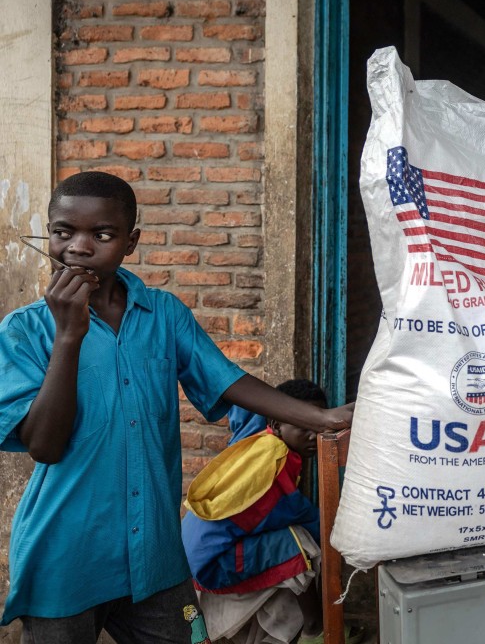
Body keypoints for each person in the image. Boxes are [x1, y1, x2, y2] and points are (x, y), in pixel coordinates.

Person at [0, 171, 349, 643]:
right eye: (64, 232)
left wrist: (322, 419)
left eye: (101, 235)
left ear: (130, 241)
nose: (79, 247)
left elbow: (225, 380)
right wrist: (69, 336)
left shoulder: (163, 314)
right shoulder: (26, 331)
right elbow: (44, 445)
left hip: (154, 558)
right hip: (65, 557)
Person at [182, 379, 362, 644]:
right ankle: (315, 629)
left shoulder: (256, 436)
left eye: (319, 425)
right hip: (212, 564)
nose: (314, 436)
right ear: (276, 425)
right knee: (300, 544)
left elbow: (243, 410)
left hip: (192, 553)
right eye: (304, 426)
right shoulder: (276, 462)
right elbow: (308, 519)